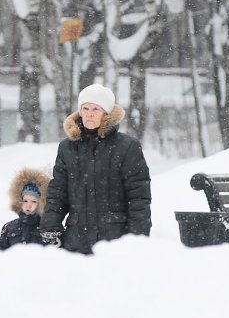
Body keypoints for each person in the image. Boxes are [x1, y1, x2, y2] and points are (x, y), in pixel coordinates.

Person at [39, 84, 152, 254]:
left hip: (115, 240)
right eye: (85, 108)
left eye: (95, 109)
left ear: (106, 113)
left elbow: (138, 198)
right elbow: (57, 193)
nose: (89, 113)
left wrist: (137, 238)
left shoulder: (127, 147)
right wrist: (50, 226)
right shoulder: (67, 148)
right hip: (76, 241)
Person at [0, 168, 50, 250]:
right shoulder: (10, 227)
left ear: (40, 204)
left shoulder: (47, 229)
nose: (28, 205)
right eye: (25, 201)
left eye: (34, 201)